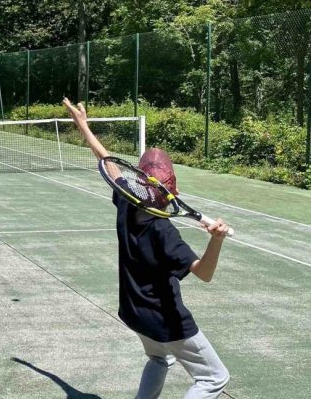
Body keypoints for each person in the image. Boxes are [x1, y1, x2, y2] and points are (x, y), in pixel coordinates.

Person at [62, 97, 230, 399]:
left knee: (158, 358)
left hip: (133, 311)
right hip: (165, 318)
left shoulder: (127, 199)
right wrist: (216, 241)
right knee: (214, 378)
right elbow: (204, 273)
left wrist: (83, 126)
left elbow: (108, 162)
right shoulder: (164, 231)